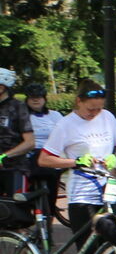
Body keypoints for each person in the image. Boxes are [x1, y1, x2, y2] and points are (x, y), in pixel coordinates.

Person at [38, 80, 116, 248]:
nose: (95, 113)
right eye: (90, 109)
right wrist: (75, 162)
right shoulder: (66, 124)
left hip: (110, 189)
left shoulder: (107, 117)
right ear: (79, 101)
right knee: (88, 250)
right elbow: (44, 159)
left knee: (113, 247)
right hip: (82, 194)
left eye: (99, 109)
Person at [23, 83, 62, 211]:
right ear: (27, 99)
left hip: (52, 152)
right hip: (30, 152)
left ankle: (50, 209)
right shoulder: (22, 116)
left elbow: (65, 133)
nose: (36, 100)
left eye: (39, 97)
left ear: (44, 99)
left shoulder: (55, 115)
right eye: (32, 97)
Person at [0, 67, 34, 197]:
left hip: (15, 168)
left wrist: (4, 156)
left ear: (2, 87)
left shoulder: (18, 107)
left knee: (17, 205)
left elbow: (30, 142)